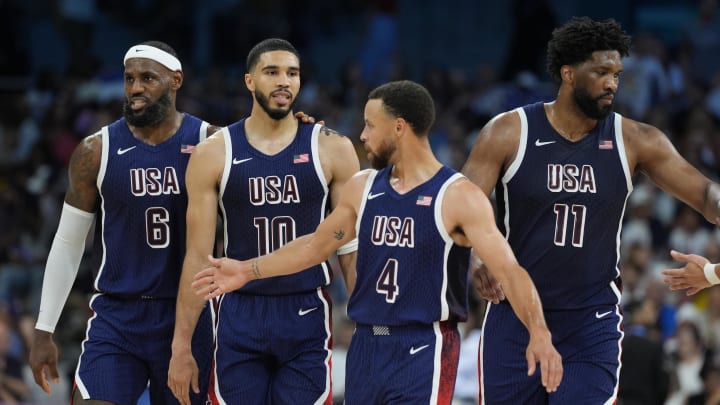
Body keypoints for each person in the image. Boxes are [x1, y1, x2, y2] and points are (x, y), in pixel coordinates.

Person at [190, 80, 563, 404]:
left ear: (399, 128)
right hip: (367, 345)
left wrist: (539, 332)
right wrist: (246, 270)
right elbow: (314, 246)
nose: (363, 134)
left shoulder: (458, 196)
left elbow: (511, 272)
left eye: (370, 125)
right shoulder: (363, 187)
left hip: (423, 347)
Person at [461, 16, 720, 404]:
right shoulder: (508, 132)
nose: (612, 82)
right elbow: (463, 209)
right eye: (601, 72)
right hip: (513, 315)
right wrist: (478, 260)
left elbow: (704, 195)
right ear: (568, 73)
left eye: (616, 73)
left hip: (590, 323)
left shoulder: (635, 139)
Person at [168, 38, 360, 404]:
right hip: (239, 309)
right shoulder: (214, 152)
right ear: (250, 81)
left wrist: (368, 324)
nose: (284, 81)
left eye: (292, 73)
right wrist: (181, 344)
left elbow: (349, 247)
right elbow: (197, 257)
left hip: (305, 308)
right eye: (271, 72)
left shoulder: (333, 148)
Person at [27, 41, 220, 404]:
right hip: (117, 315)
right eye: (130, 78)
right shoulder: (94, 151)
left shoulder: (210, 143)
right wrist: (44, 328)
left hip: (185, 315)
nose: (135, 88)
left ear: (176, 79)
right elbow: (68, 243)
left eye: (148, 78)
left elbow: (267, 154)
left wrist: (302, 129)